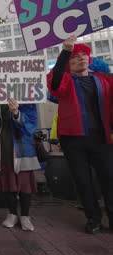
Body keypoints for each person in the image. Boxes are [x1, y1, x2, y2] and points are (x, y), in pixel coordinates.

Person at [47, 36, 113, 234]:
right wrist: (65, 51)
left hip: (101, 137)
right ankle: (93, 219)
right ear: (68, 64)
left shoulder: (104, 80)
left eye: (84, 55)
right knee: (83, 181)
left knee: (109, 178)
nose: (81, 58)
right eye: (75, 57)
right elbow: (55, 81)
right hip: (73, 138)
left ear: (90, 59)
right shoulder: (65, 80)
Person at [0, 99, 40, 231]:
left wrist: (17, 113)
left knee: (24, 183)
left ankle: (25, 216)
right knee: (6, 181)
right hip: (2, 147)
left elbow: (32, 123)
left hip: (22, 147)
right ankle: (12, 213)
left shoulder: (27, 98)